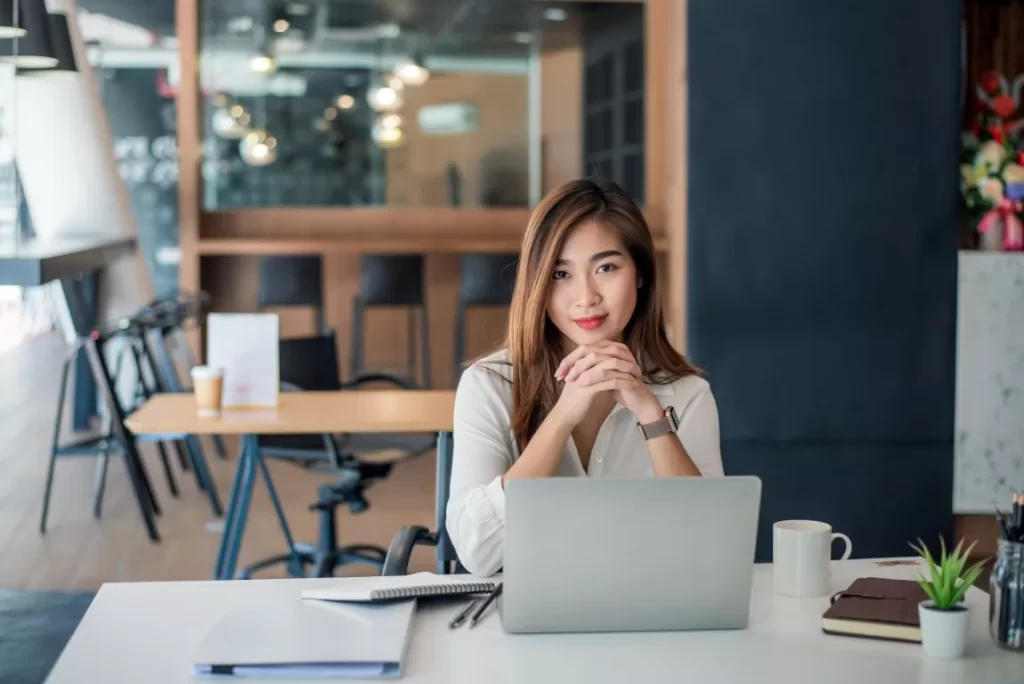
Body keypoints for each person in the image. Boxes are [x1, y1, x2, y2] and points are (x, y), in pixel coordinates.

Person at [447, 179, 723, 577]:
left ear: (640, 274)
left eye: (606, 268)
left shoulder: (687, 393)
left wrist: (650, 412)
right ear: (538, 285)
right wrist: (562, 417)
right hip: (522, 622)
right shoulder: (488, 385)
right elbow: (479, 554)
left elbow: (709, 545)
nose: (586, 296)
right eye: (561, 274)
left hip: (652, 615)